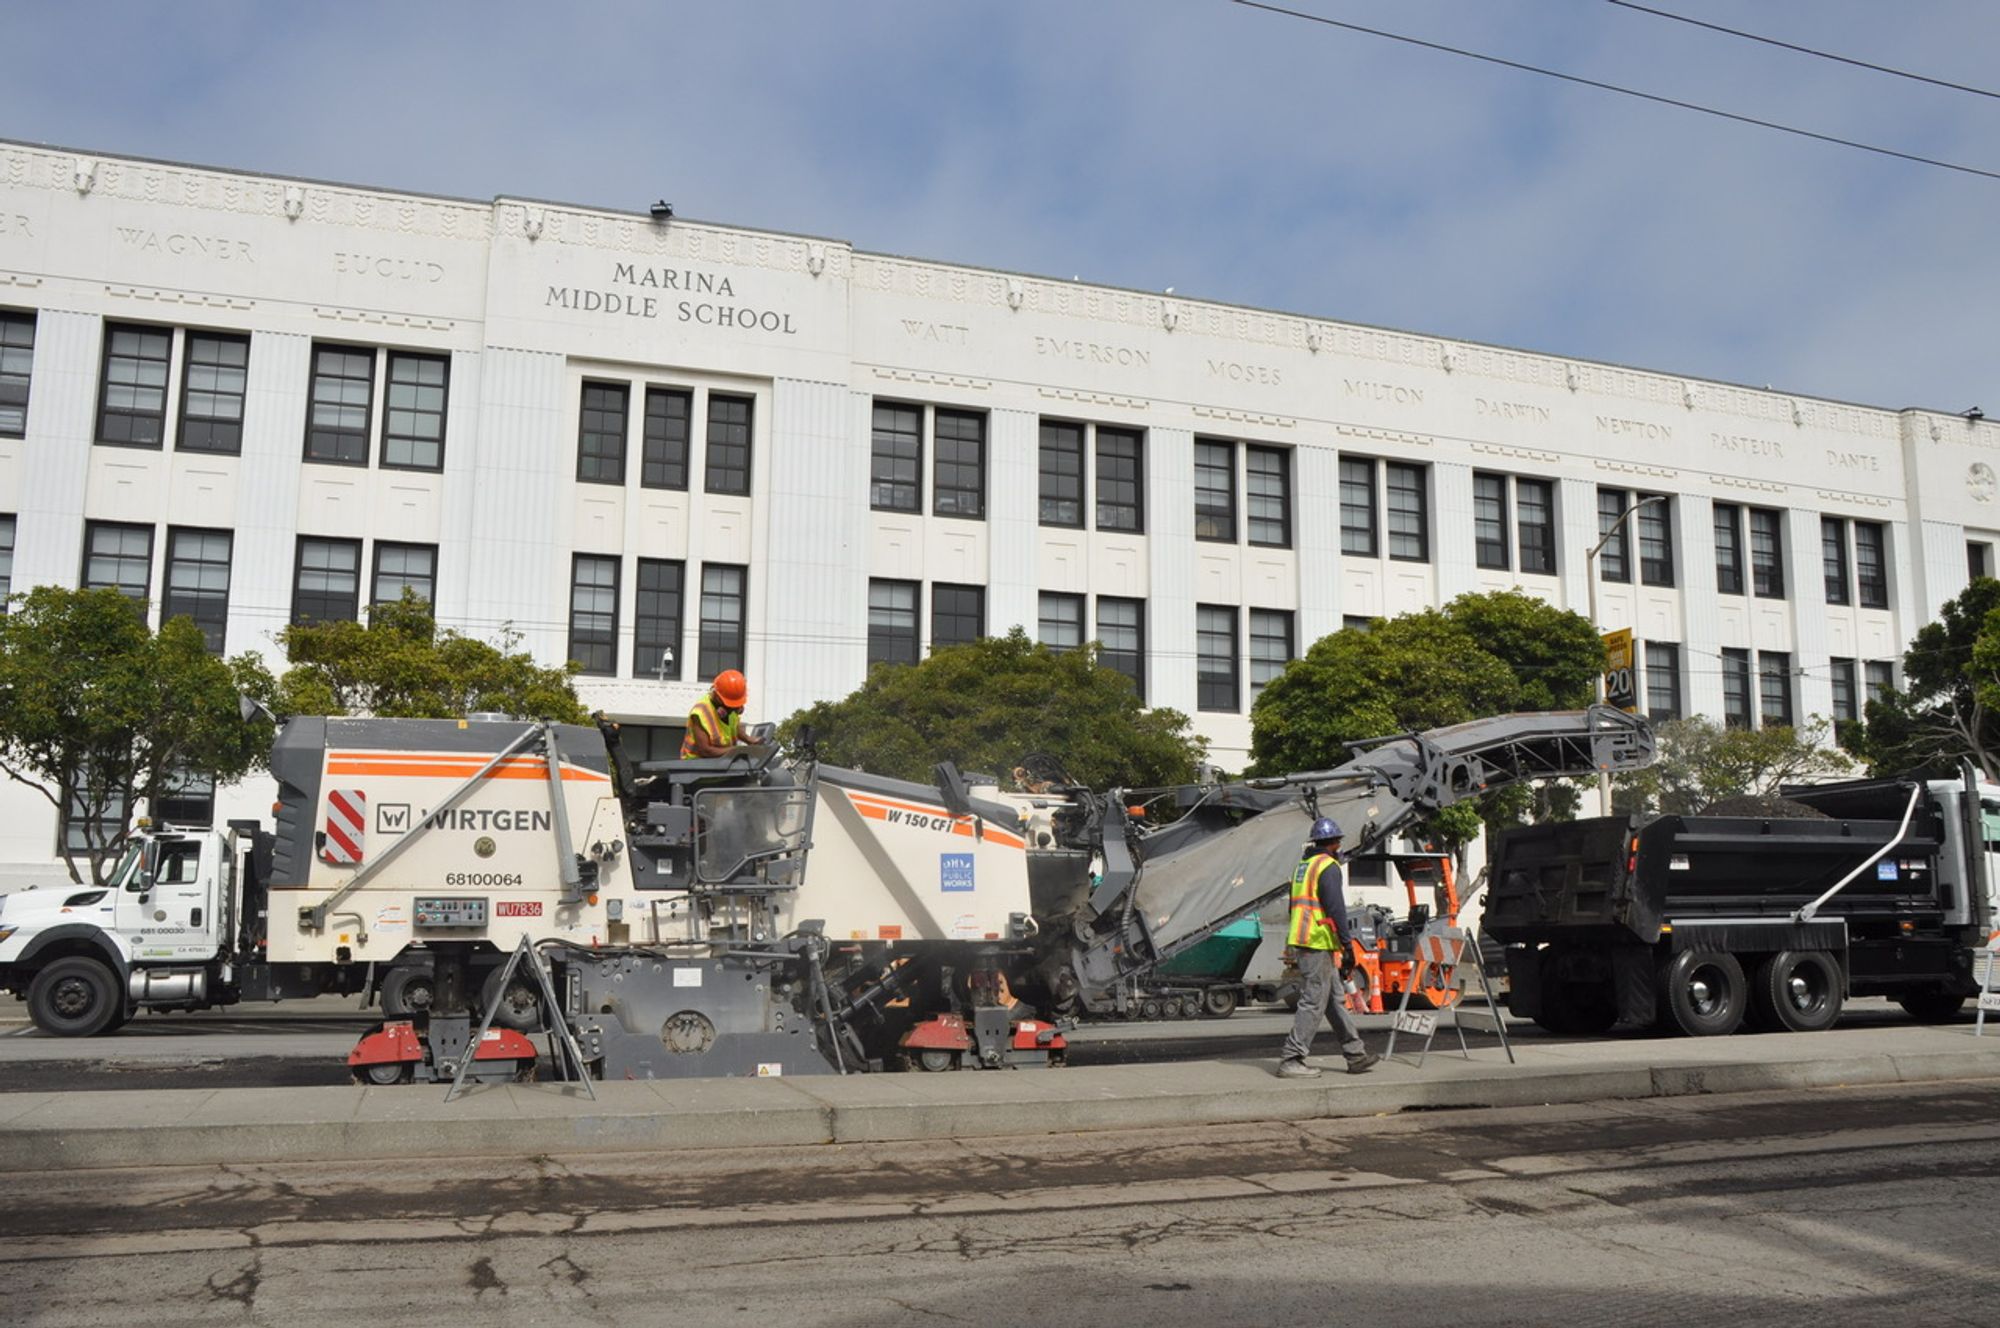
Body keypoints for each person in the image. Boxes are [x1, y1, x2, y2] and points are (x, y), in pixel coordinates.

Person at [1277, 816, 1381, 1078]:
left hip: (1304, 938)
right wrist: (1347, 945)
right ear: (1335, 843)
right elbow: (1336, 909)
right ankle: (1292, 1057)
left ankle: (1355, 1055)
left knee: (1334, 1000)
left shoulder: (1304, 865)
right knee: (1314, 1000)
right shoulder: (1328, 867)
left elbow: (1295, 906)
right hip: (1316, 940)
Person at [680, 669, 766, 759]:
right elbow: (705, 751)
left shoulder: (730, 708)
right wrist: (737, 750)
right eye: (731, 706)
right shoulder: (700, 712)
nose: (735, 710)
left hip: (721, 762)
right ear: (718, 697)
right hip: (696, 766)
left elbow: (734, 727)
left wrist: (749, 740)